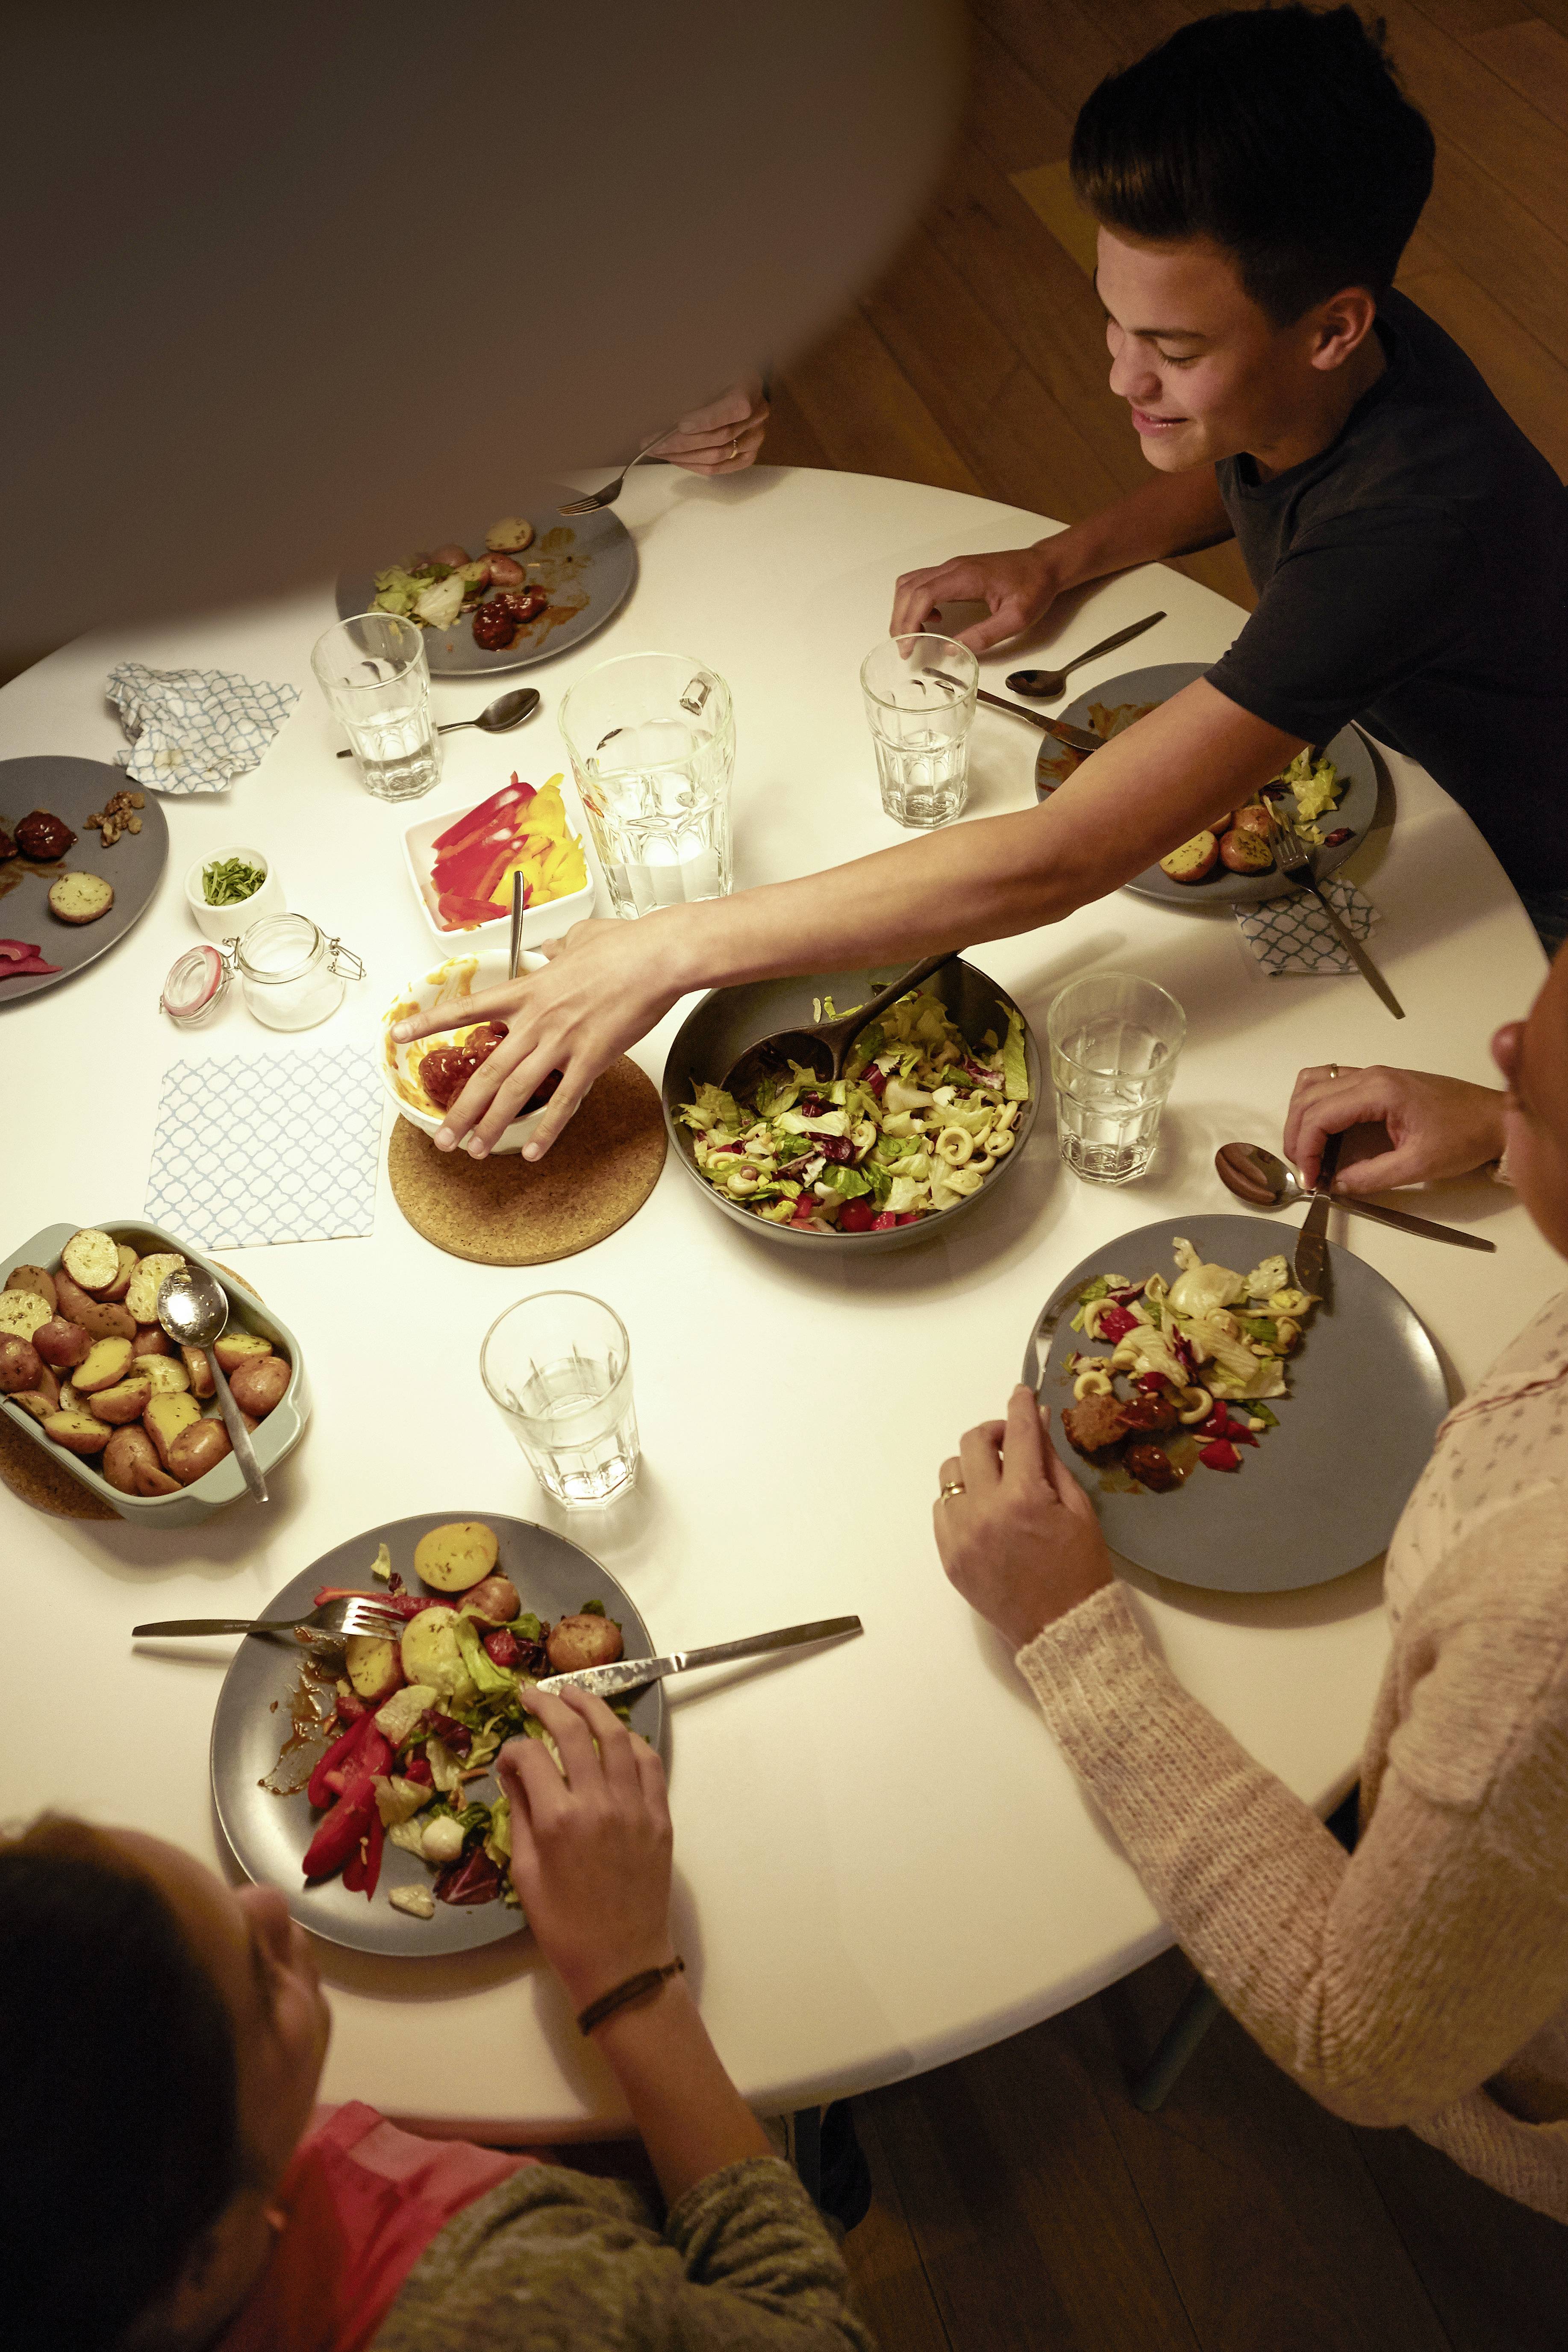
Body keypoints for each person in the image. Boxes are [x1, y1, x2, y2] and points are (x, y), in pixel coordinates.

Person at [389, 4, 1568, 1167]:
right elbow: (1260, 465)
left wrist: (662, 950)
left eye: (1174, 351)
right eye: (1114, 325)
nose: (1120, 377)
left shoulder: (1409, 531)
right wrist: (1061, 557)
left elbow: (1057, 859)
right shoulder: (1343, 347)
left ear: (1329, 327)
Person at [933, 942, 1568, 2220]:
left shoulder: (1538, 1648)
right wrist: (1514, 1130)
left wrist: (1069, 1637)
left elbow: (1359, 2037)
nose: (1506, 1039)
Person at [7, 1682, 871, 2352]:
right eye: (263, 1983)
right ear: (200, 2263)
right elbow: (808, 2327)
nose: (269, 1903)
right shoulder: (516, 2306)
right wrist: (632, 1977)